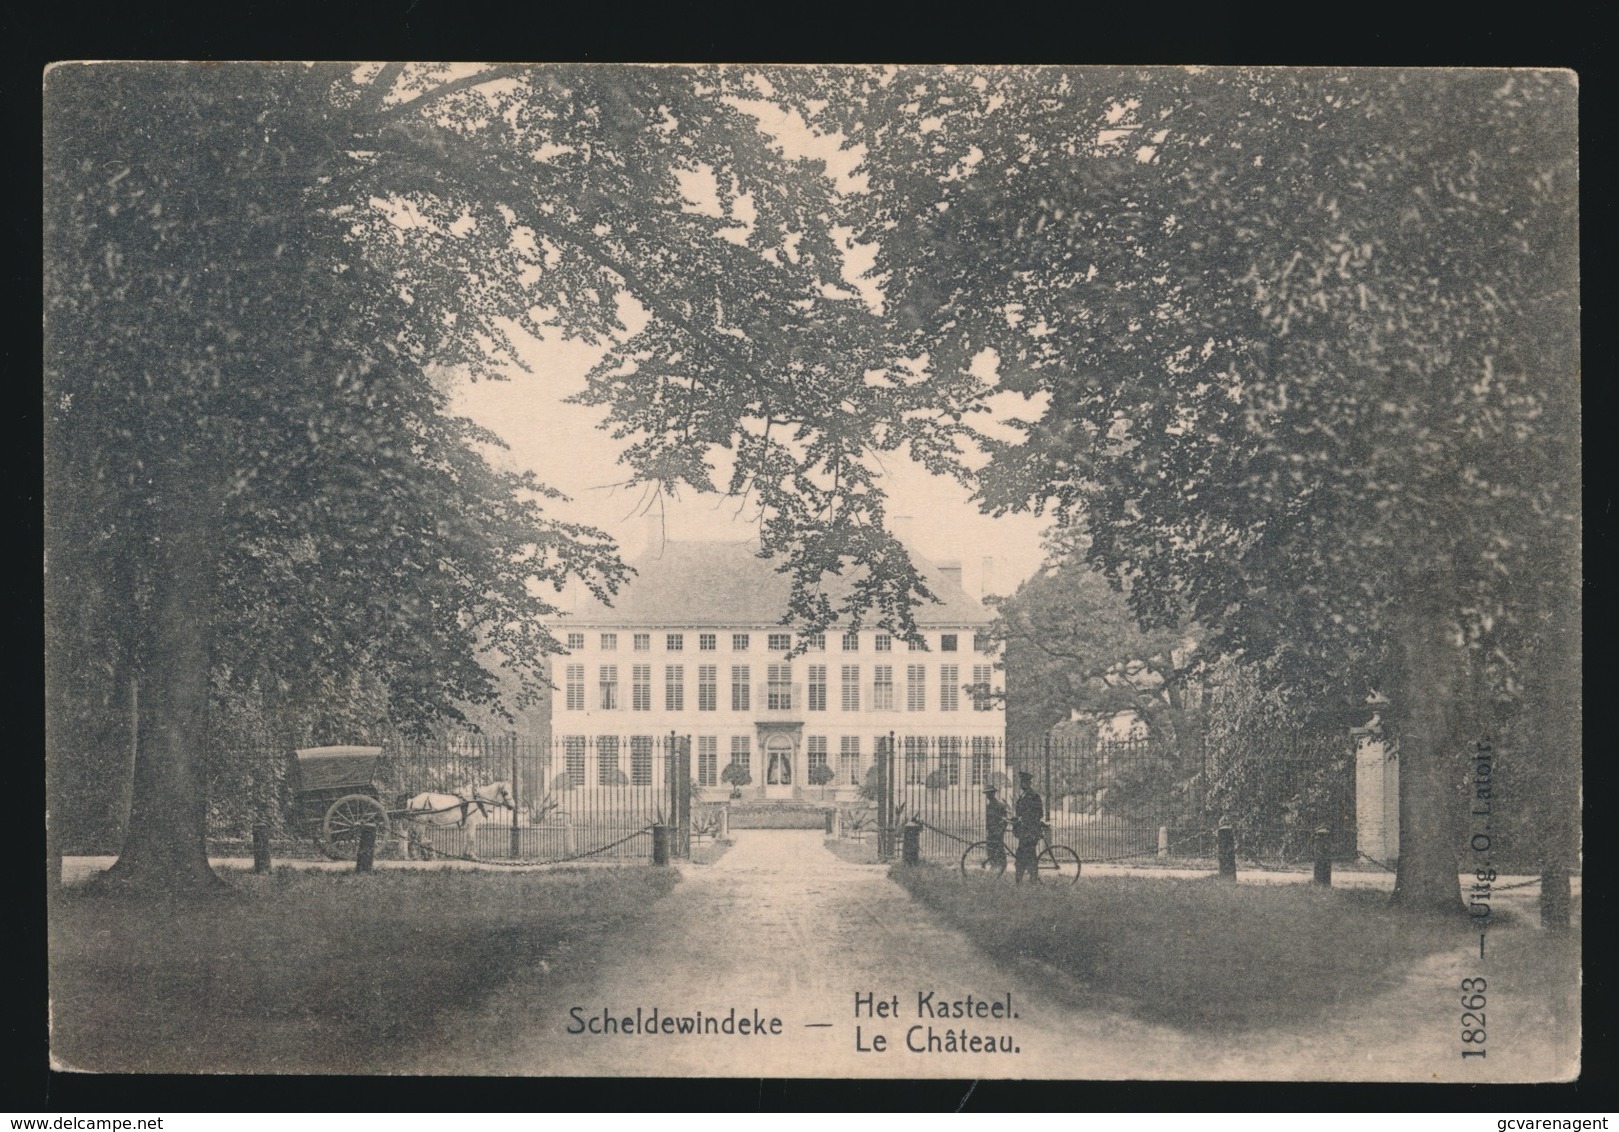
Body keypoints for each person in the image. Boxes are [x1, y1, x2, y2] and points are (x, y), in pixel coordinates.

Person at [1013, 770, 1045, 884]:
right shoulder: (1023, 796)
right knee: (1025, 856)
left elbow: (1039, 814)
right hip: (1024, 832)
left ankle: (1029, 880)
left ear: (1029, 783)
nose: (1023, 784)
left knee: (1025, 856)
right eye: (1022, 782)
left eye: (1025, 782)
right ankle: (1025, 880)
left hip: (1031, 832)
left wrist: (1024, 819)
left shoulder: (1034, 796)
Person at [983, 785, 1010, 871]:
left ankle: (1002, 866)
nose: (988, 796)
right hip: (991, 830)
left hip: (998, 831)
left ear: (993, 794)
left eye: (990, 793)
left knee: (999, 848)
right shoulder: (988, 806)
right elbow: (988, 819)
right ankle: (993, 864)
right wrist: (988, 828)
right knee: (990, 848)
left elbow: (1005, 820)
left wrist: (1000, 830)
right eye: (987, 794)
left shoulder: (1001, 805)